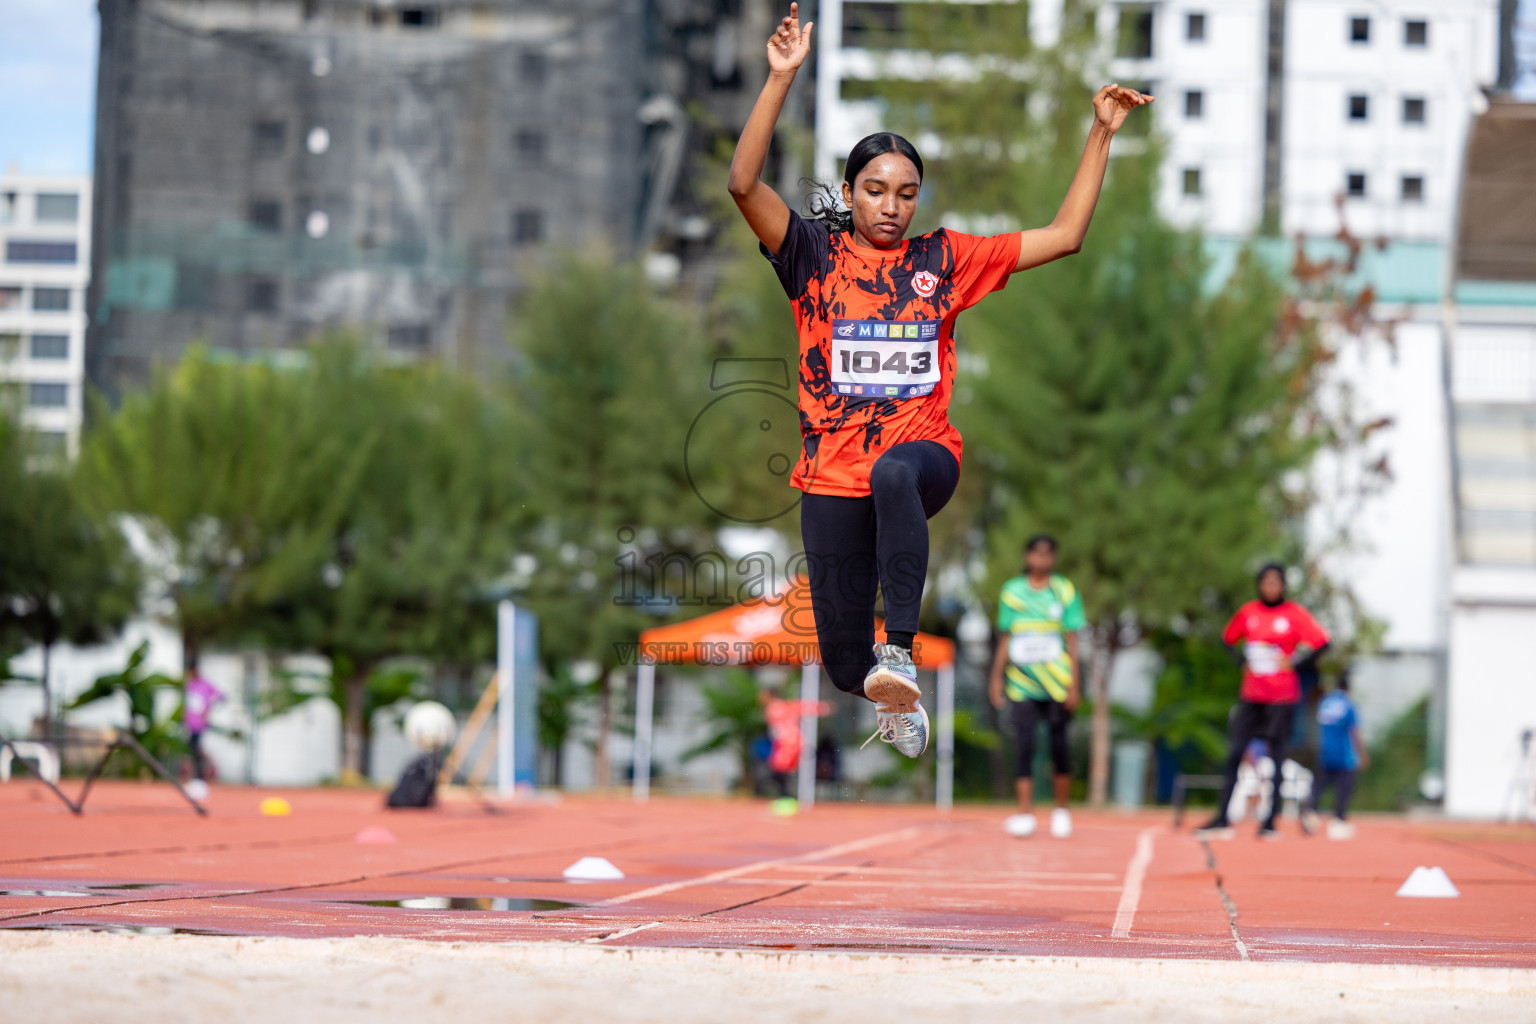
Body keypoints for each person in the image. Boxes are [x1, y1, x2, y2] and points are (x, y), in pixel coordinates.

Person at [728, 4, 1151, 758]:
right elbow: (741, 182)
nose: (892, 206)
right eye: (876, 190)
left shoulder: (943, 260)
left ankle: (901, 647)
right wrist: (781, 78)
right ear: (850, 193)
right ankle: (886, 688)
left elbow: (1065, 236)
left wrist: (1100, 134)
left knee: (895, 471)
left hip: (922, 457)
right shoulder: (810, 258)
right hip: (829, 476)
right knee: (840, 665)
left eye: (906, 192)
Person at [1194, 564, 1330, 841]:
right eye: (1265, 582)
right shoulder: (1248, 613)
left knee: (1276, 756)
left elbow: (1323, 643)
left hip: (1281, 696)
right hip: (1252, 695)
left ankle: (1269, 821)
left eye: (1275, 582)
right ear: (1259, 585)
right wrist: (1241, 662)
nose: (1270, 587)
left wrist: (1298, 663)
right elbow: (1227, 640)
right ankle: (1222, 817)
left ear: (1283, 585)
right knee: (1235, 754)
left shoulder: (1293, 614)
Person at [989, 535, 1085, 838]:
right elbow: (1005, 637)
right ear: (1027, 556)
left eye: (1047, 554)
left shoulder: (1065, 591)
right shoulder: (1012, 592)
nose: (1041, 559)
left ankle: (1061, 810)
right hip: (1022, 684)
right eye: (1035, 553)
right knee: (1024, 746)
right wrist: (995, 677)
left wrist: (1074, 683)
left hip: (1057, 684)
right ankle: (1025, 812)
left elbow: (1072, 640)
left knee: (1059, 745)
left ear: (1053, 558)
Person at [1303, 672, 1368, 839]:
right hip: (1344, 755)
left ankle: (1310, 814)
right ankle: (1338, 821)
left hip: (1325, 753)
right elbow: (1354, 731)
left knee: (1318, 788)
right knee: (1344, 789)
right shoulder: (1348, 704)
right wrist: (1362, 753)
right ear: (1347, 687)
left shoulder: (1324, 702)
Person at [182, 657, 225, 801]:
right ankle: (195, 780)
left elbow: (221, 696)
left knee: (196, 749)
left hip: (200, 723)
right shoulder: (190, 685)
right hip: (190, 723)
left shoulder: (204, 684)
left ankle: (203, 777)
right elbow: (189, 705)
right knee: (192, 750)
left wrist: (207, 710)